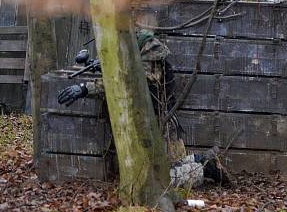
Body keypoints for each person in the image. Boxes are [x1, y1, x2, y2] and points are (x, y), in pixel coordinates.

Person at [57, 29, 226, 187]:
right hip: (152, 122)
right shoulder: (138, 48)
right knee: (163, 169)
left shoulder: (149, 51)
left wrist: (87, 88)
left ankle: (204, 168)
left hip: (160, 125)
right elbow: (125, 71)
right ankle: (201, 159)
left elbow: (127, 82)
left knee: (157, 180)